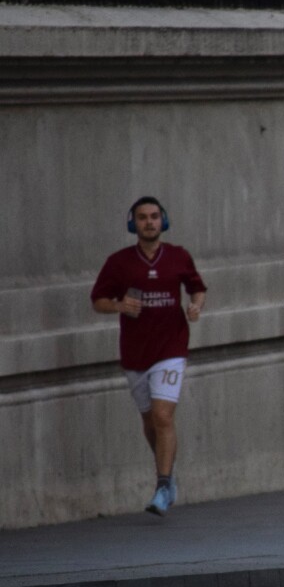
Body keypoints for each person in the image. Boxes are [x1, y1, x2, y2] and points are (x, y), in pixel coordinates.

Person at [91, 197, 207, 516]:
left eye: (154, 217)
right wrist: (118, 306)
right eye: (142, 218)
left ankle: (163, 485)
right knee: (149, 421)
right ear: (133, 224)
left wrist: (196, 305)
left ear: (163, 221)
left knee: (163, 416)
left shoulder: (179, 257)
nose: (149, 223)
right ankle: (166, 476)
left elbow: (198, 287)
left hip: (171, 348)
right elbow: (97, 299)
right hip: (135, 353)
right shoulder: (119, 263)